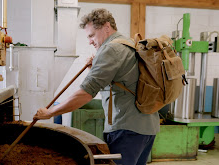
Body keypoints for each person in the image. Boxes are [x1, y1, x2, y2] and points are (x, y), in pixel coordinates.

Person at [34, 8, 160, 165]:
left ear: (107, 27)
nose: (90, 41)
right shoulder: (127, 43)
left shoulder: (111, 49)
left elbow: (85, 94)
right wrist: (93, 68)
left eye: (92, 35)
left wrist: (50, 112)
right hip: (147, 127)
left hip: (127, 129)